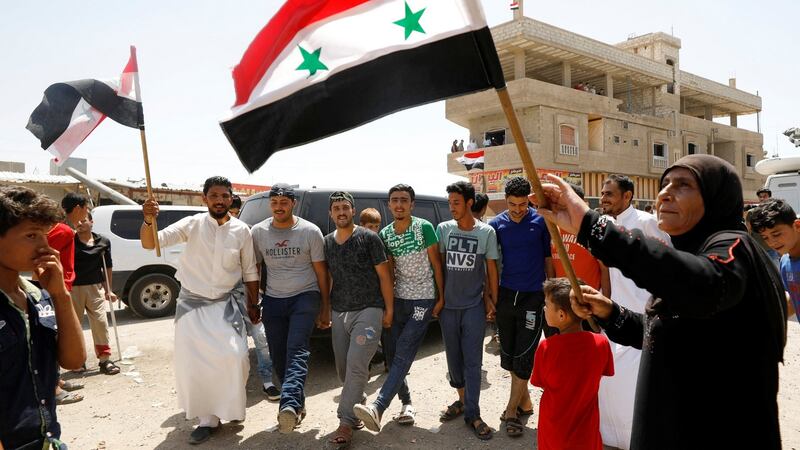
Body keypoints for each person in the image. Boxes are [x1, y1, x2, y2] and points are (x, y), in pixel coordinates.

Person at [537, 154, 786, 449]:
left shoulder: (734, 248)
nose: (666, 192)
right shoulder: (696, 253)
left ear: (714, 196)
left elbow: (703, 288)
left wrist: (591, 225)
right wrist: (611, 313)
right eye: (664, 183)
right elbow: (675, 332)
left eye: (683, 185)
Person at [140, 176, 259, 445]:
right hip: (192, 307)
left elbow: (250, 269)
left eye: (224, 196)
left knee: (236, 356)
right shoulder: (191, 224)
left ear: (231, 199)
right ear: (204, 198)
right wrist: (148, 221)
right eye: (214, 195)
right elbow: (152, 243)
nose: (219, 200)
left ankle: (229, 408)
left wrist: (253, 304)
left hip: (224, 306)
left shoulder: (242, 230)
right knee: (196, 366)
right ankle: (207, 419)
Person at [0, 186, 86, 449]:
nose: (44, 246)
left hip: (47, 441)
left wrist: (60, 295)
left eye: (45, 236)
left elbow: (74, 360)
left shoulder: (38, 296)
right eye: (31, 235)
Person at [354, 184, 445, 431]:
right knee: (393, 354)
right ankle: (407, 403)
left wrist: (440, 297)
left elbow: (437, 265)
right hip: (398, 300)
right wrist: (389, 307)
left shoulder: (424, 227)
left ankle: (378, 407)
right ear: (389, 204)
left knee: (404, 349)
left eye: (404, 200)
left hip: (423, 299)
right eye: (394, 200)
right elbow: (389, 273)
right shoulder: (385, 234)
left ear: (412, 204)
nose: (399, 204)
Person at [598, 174, 670, 449]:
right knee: (609, 383)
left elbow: (666, 261)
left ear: (627, 197)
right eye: (603, 194)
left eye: (609, 194)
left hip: (642, 315)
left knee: (632, 387)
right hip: (616, 314)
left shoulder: (645, 222)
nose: (603, 199)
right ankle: (611, 438)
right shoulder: (606, 225)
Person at [251, 184, 329, 432]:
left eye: (284, 202)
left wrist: (325, 306)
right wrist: (253, 302)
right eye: (274, 202)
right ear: (270, 204)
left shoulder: (309, 231)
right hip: (274, 298)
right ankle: (296, 406)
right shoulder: (259, 232)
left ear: (293, 203)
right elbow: (254, 269)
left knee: (297, 349)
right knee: (278, 354)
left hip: (305, 297)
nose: (279, 206)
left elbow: (321, 272)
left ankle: (287, 403)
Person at [324, 191, 393, 448]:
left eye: (345, 207)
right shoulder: (327, 242)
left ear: (353, 211)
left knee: (355, 364)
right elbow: (329, 278)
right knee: (343, 367)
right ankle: (356, 401)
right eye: (336, 208)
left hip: (369, 309)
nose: (341, 212)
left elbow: (385, 276)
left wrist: (389, 310)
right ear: (331, 214)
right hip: (340, 310)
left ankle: (345, 422)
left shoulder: (369, 238)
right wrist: (325, 309)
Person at [488, 176, 552, 437]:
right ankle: (525, 403)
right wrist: (490, 297)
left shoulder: (540, 221)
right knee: (509, 356)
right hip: (506, 297)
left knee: (525, 354)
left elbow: (548, 258)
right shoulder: (496, 225)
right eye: (513, 205)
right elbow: (490, 265)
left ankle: (511, 410)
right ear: (506, 201)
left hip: (533, 298)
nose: (517, 210)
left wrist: (549, 291)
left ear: (529, 201)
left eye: (522, 205)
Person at [436, 181, 498, 441]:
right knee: (454, 362)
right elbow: (438, 267)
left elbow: (491, 269)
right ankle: (461, 400)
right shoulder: (443, 230)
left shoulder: (486, 232)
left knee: (473, 362)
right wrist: (439, 299)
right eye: (450, 203)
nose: (452, 207)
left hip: (473, 307)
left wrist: (491, 299)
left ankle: (473, 412)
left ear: (469, 203)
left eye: (456, 203)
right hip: (448, 308)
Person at [531, 278, 614, 450]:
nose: (544, 308)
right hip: (586, 432)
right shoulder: (601, 343)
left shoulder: (546, 348)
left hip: (555, 431)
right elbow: (605, 371)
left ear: (562, 315)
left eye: (546, 304)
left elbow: (539, 382)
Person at [51, 192, 89, 405]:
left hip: (59, 288)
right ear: (77, 208)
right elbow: (42, 255)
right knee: (51, 338)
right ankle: (53, 388)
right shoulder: (63, 230)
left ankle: (57, 381)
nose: (87, 213)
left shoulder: (65, 228)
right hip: (54, 290)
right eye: (86, 207)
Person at [72, 212, 120, 375]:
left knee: (100, 323)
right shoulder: (69, 241)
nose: (80, 223)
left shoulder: (103, 242)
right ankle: (78, 360)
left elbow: (107, 267)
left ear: (91, 222)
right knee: (74, 326)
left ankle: (105, 360)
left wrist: (109, 290)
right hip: (73, 289)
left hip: (95, 288)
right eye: (77, 221)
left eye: (83, 220)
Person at [551, 183, 609, 295]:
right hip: (561, 299)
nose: (559, 204)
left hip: (587, 299)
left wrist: (605, 301)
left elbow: (604, 269)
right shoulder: (553, 228)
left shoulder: (594, 229)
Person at [749, 199, 800, 321]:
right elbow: (794, 301)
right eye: (765, 237)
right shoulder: (785, 262)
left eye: (776, 234)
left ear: (797, 226)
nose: (771, 242)